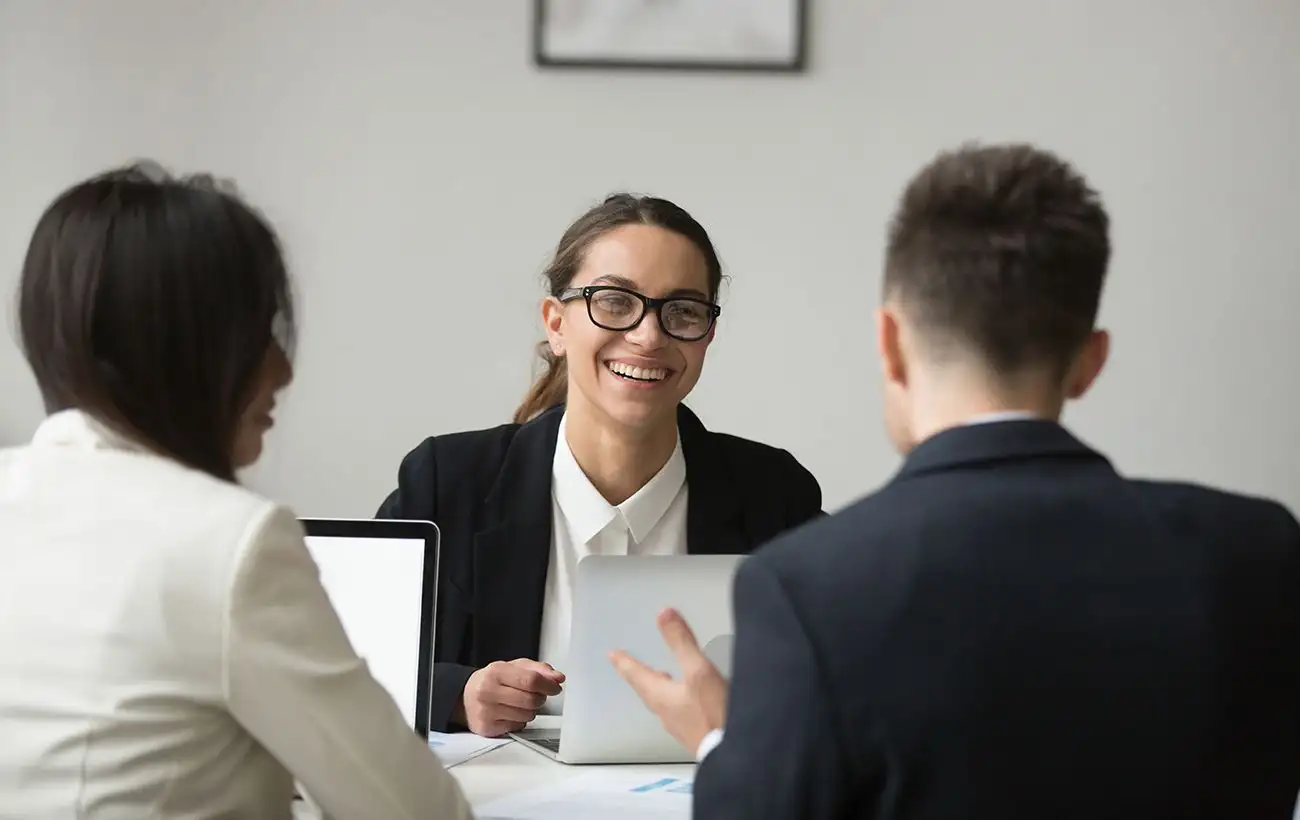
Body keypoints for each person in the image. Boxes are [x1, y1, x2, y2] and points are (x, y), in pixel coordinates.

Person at [611, 143, 1300, 819]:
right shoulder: (1260, 552)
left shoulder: (809, 585)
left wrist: (723, 743)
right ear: (1091, 362)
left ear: (890, 344)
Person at [0, 164, 473, 819]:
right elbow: (415, 811)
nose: (283, 369)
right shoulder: (230, 543)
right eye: (259, 335)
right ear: (184, 348)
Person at [377, 193, 823, 737]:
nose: (648, 335)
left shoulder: (775, 496)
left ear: (707, 334)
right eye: (614, 301)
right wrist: (456, 694)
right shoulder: (447, 481)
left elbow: (842, 677)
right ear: (556, 324)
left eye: (682, 311)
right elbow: (354, 660)